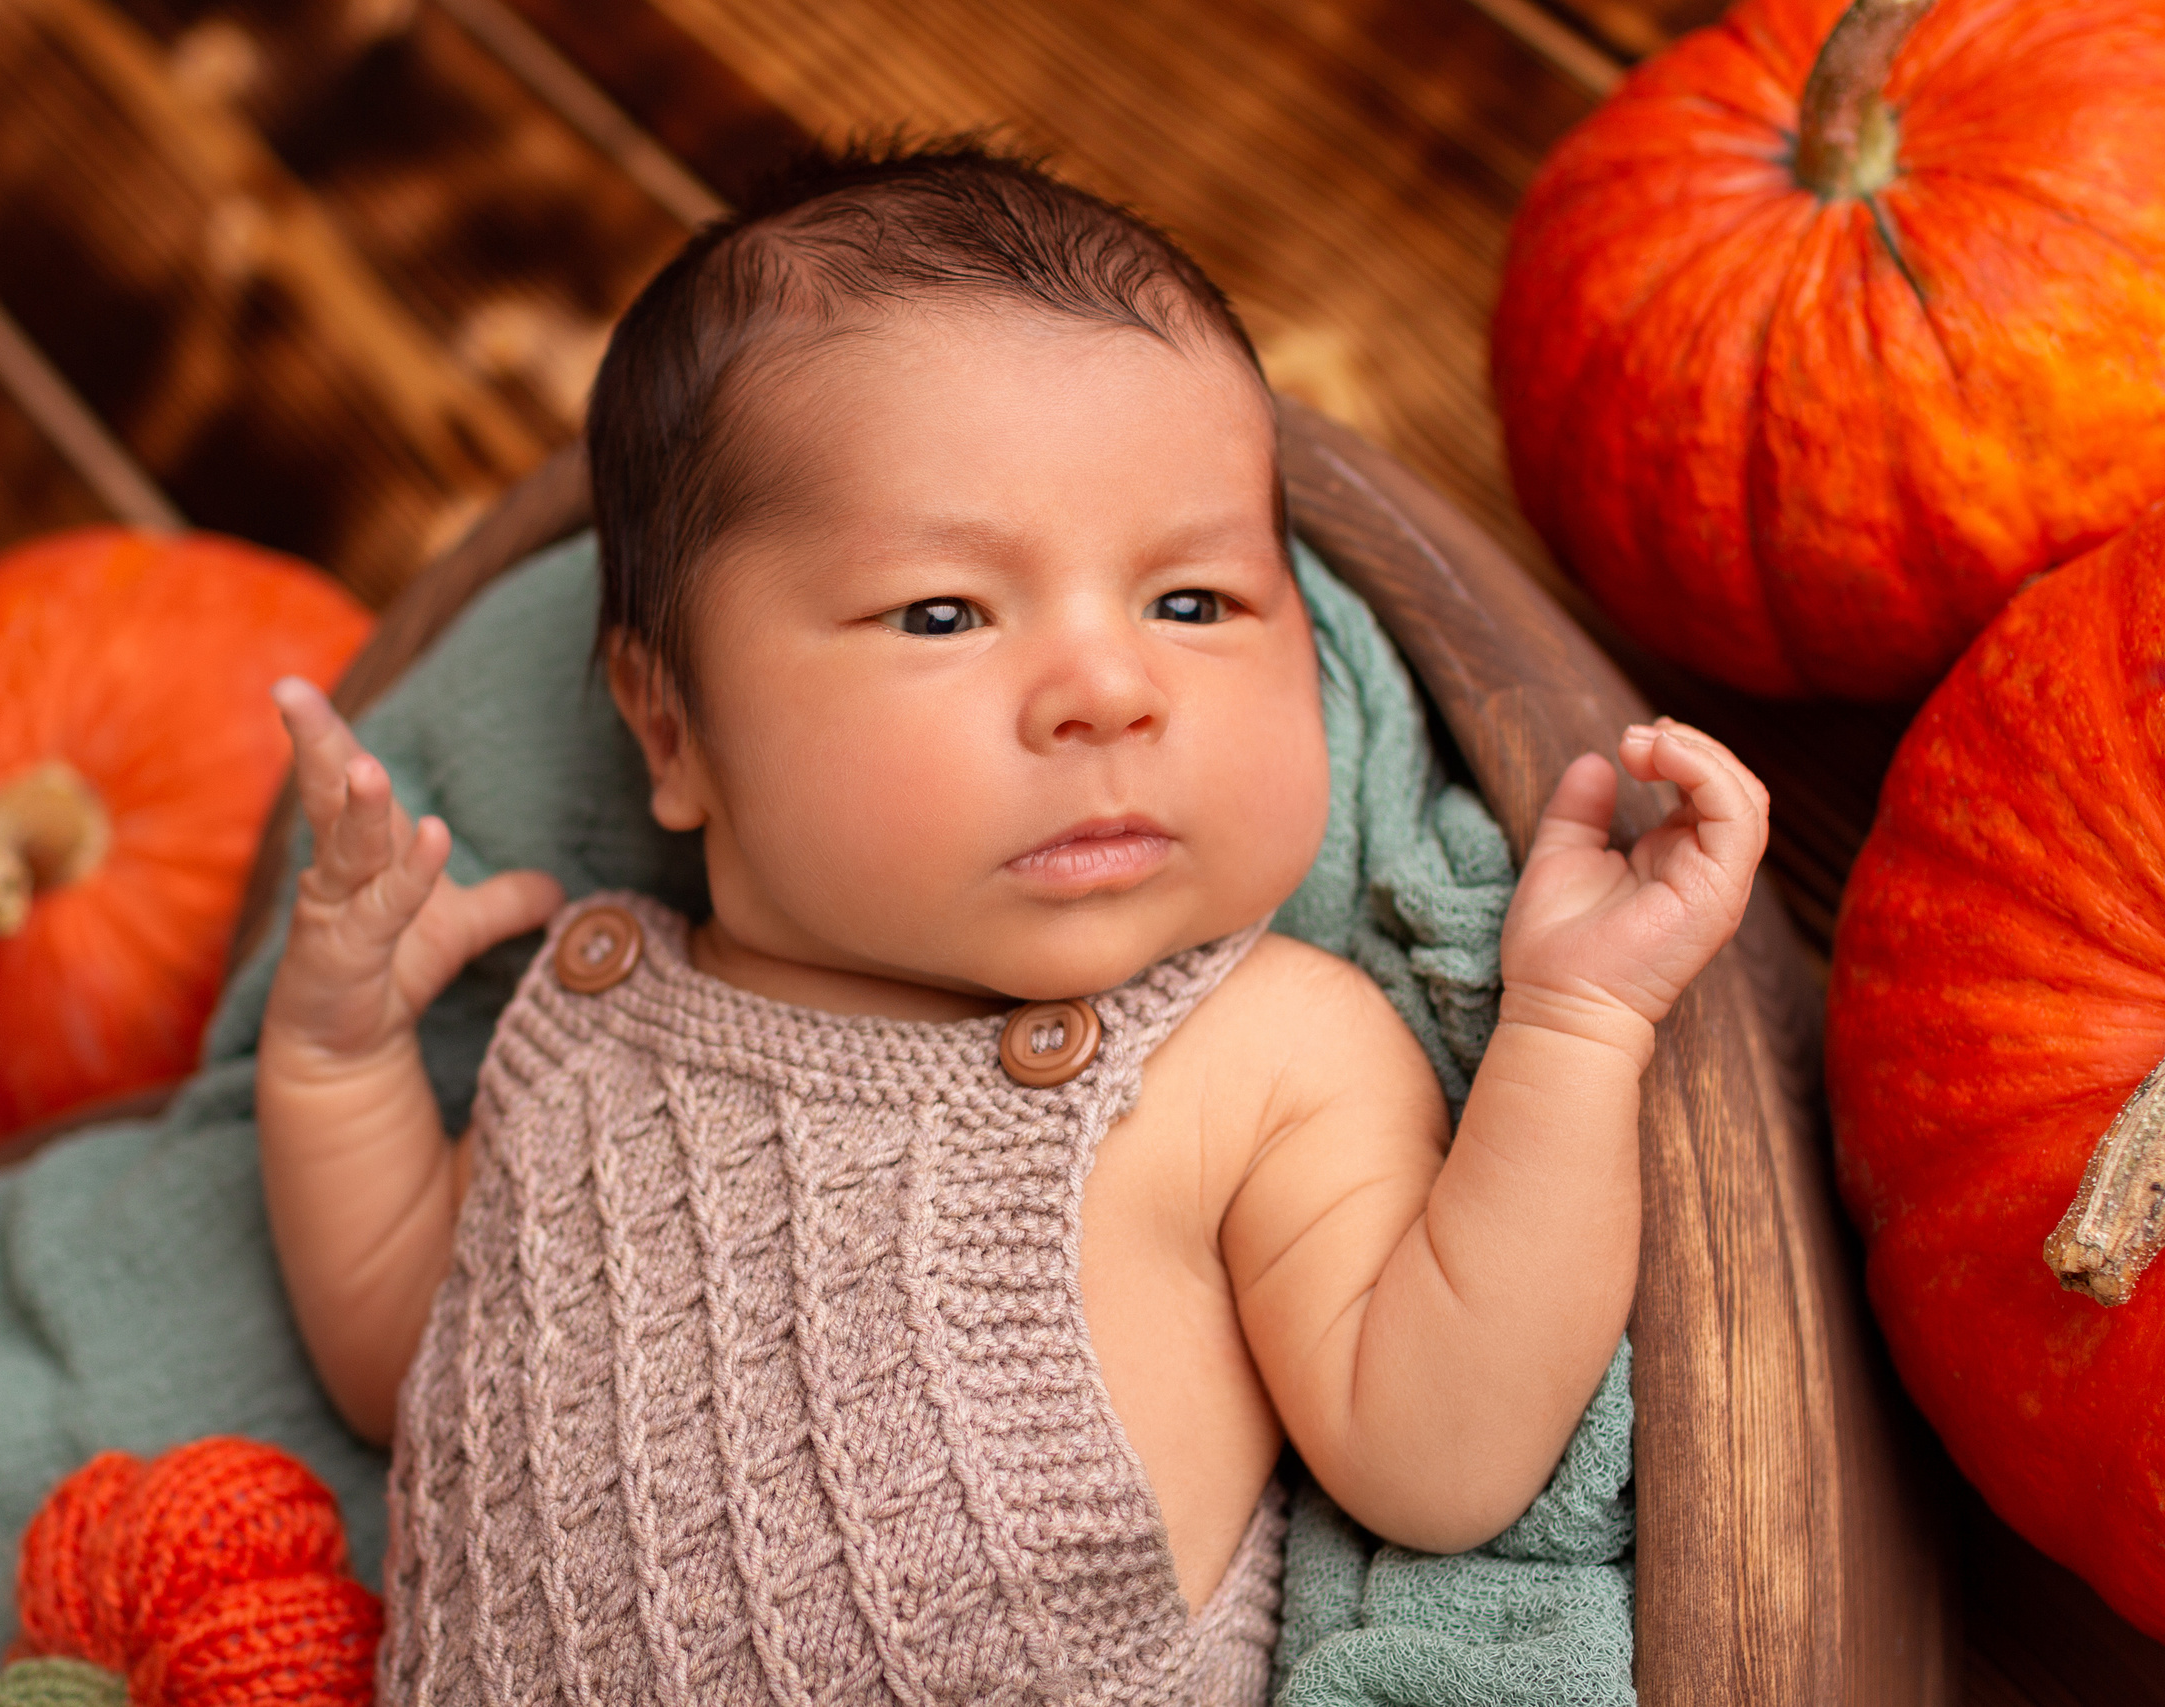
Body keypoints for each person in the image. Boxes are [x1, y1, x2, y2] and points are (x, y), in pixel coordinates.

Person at [256, 140, 1768, 1703]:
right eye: (943, 614)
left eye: (1192, 603)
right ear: (673, 734)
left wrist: (1578, 1024)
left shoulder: (1259, 1057)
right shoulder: (581, 1045)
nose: (1111, 692)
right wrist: (335, 1052)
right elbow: (396, 1361)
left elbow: (1443, 1453)